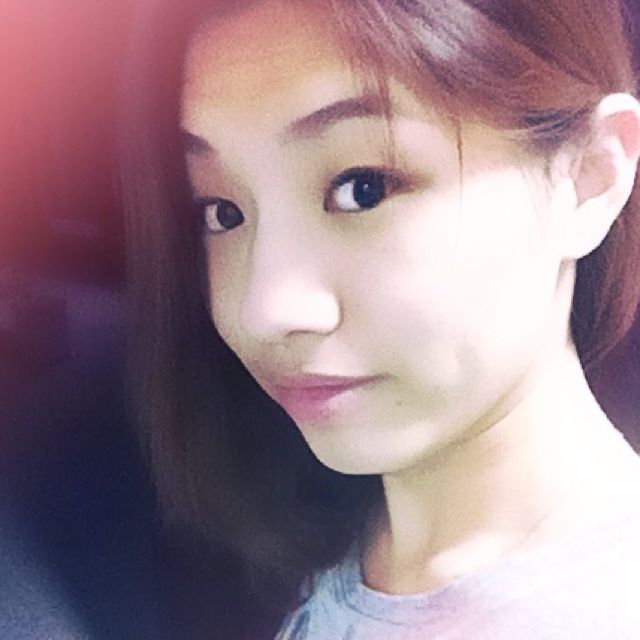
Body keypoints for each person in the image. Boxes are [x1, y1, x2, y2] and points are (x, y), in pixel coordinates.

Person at [119, 0, 640, 637]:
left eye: (363, 188)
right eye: (223, 212)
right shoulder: (319, 549)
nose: (264, 310)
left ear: (589, 176)